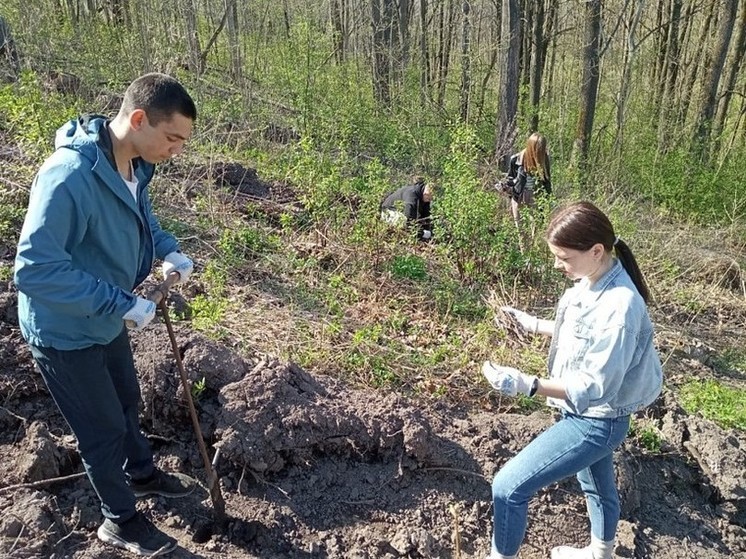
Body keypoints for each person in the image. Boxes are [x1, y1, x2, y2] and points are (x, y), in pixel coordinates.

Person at [14, 73, 199, 557]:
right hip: (64, 330)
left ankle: (141, 475)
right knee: (100, 431)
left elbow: (143, 223)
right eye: (172, 138)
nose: (176, 151)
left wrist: (169, 252)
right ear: (138, 119)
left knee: (125, 403)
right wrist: (123, 304)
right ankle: (120, 521)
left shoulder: (134, 165)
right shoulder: (68, 176)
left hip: (105, 318)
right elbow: (35, 270)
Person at [481, 201, 663, 559]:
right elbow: (581, 332)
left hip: (597, 420)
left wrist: (527, 384)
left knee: (508, 486)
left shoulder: (620, 307)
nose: (557, 265)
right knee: (595, 484)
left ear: (596, 251)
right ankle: (600, 552)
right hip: (592, 415)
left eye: (563, 257)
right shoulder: (593, 277)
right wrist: (530, 323)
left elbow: (594, 387)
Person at [503, 132, 552, 247]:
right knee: (521, 232)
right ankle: (525, 259)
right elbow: (510, 178)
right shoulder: (516, 159)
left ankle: (534, 257)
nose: (541, 151)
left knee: (537, 231)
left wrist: (548, 199)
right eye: (539, 149)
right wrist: (507, 187)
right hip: (519, 197)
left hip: (537, 197)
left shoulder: (545, 159)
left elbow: (547, 181)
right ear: (531, 147)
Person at [380, 175, 434, 240]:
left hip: (400, 213)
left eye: (431, 198)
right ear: (425, 193)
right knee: (404, 224)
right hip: (388, 212)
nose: (429, 200)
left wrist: (428, 230)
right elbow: (409, 218)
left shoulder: (424, 196)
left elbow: (425, 216)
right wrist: (421, 233)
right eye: (428, 197)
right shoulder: (412, 195)